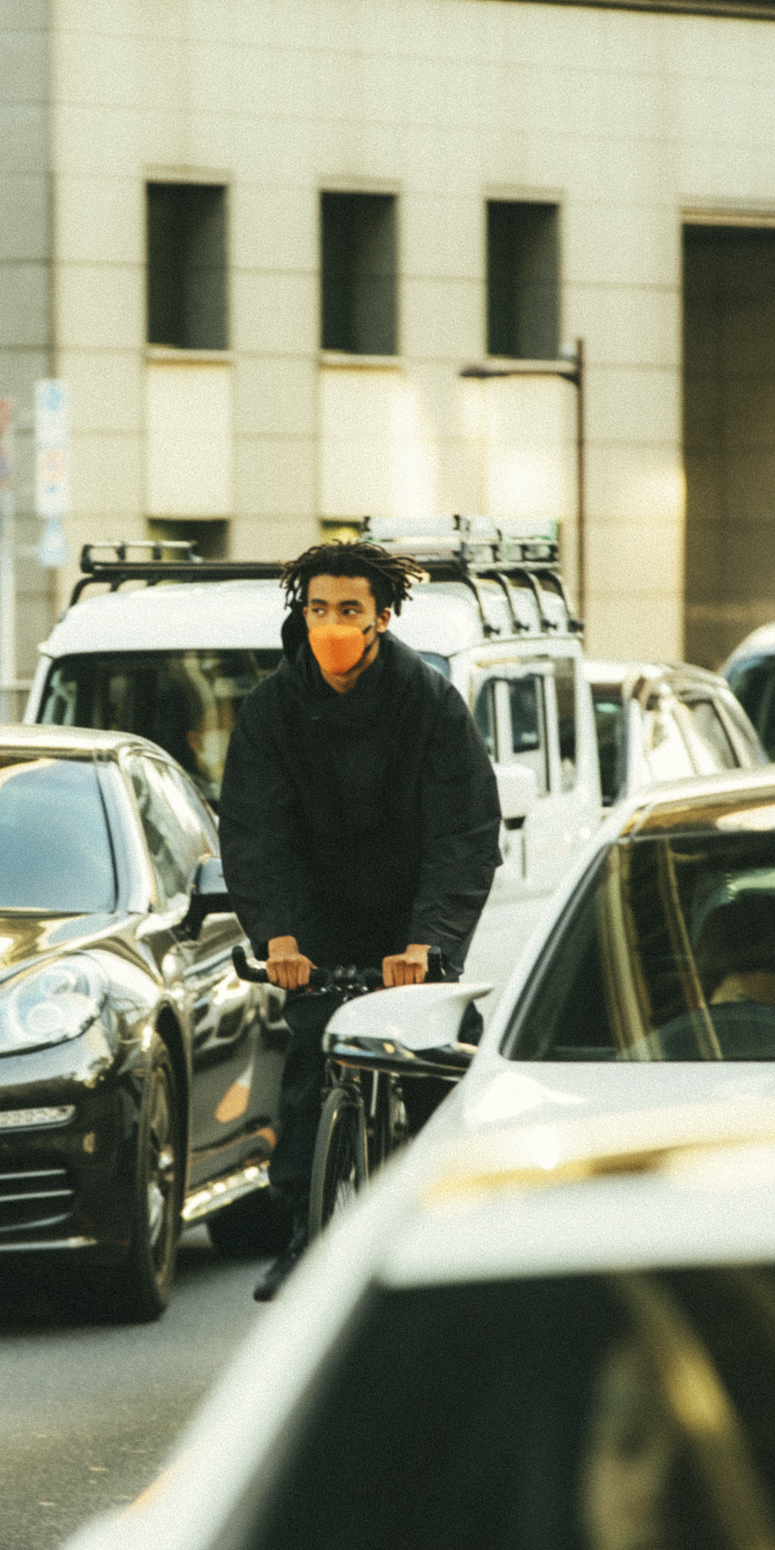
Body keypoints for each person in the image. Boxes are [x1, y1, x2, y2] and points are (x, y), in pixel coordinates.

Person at [218, 538, 502, 1300]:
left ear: (380, 617)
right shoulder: (272, 708)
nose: (332, 624)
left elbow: (464, 831)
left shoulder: (430, 702)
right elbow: (253, 830)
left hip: (412, 913)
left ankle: (450, 1233)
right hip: (315, 917)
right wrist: (275, 934)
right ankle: (305, 1232)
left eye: (349, 609)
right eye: (318, 609)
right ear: (300, 615)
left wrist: (430, 940)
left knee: (431, 1068)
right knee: (312, 1056)